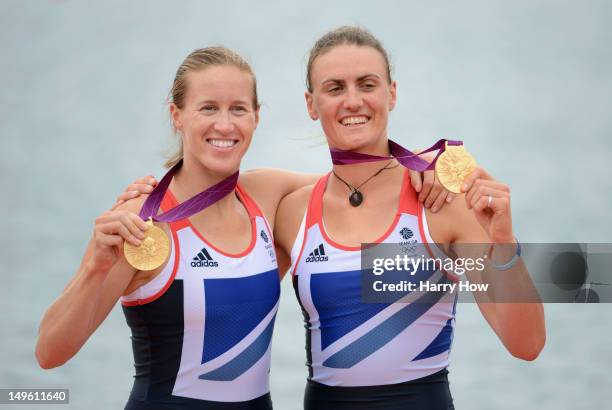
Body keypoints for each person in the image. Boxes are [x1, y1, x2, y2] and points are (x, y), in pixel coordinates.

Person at [269, 26, 546, 410]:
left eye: (367, 84)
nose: (353, 101)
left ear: (391, 93)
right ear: (311, 103)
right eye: (334, 88)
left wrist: (504, 242)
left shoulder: (441, 203)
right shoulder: (292, 213)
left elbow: (527, 345)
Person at [35, 46, 323, 410]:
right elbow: (49, 352)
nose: (225, 124)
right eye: (208, 108)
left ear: (256, 117)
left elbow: (364, 178)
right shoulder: (143, 219)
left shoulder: (266, 194)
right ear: (177, 115)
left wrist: (418, 165)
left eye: (238, 108)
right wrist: (96, 266)